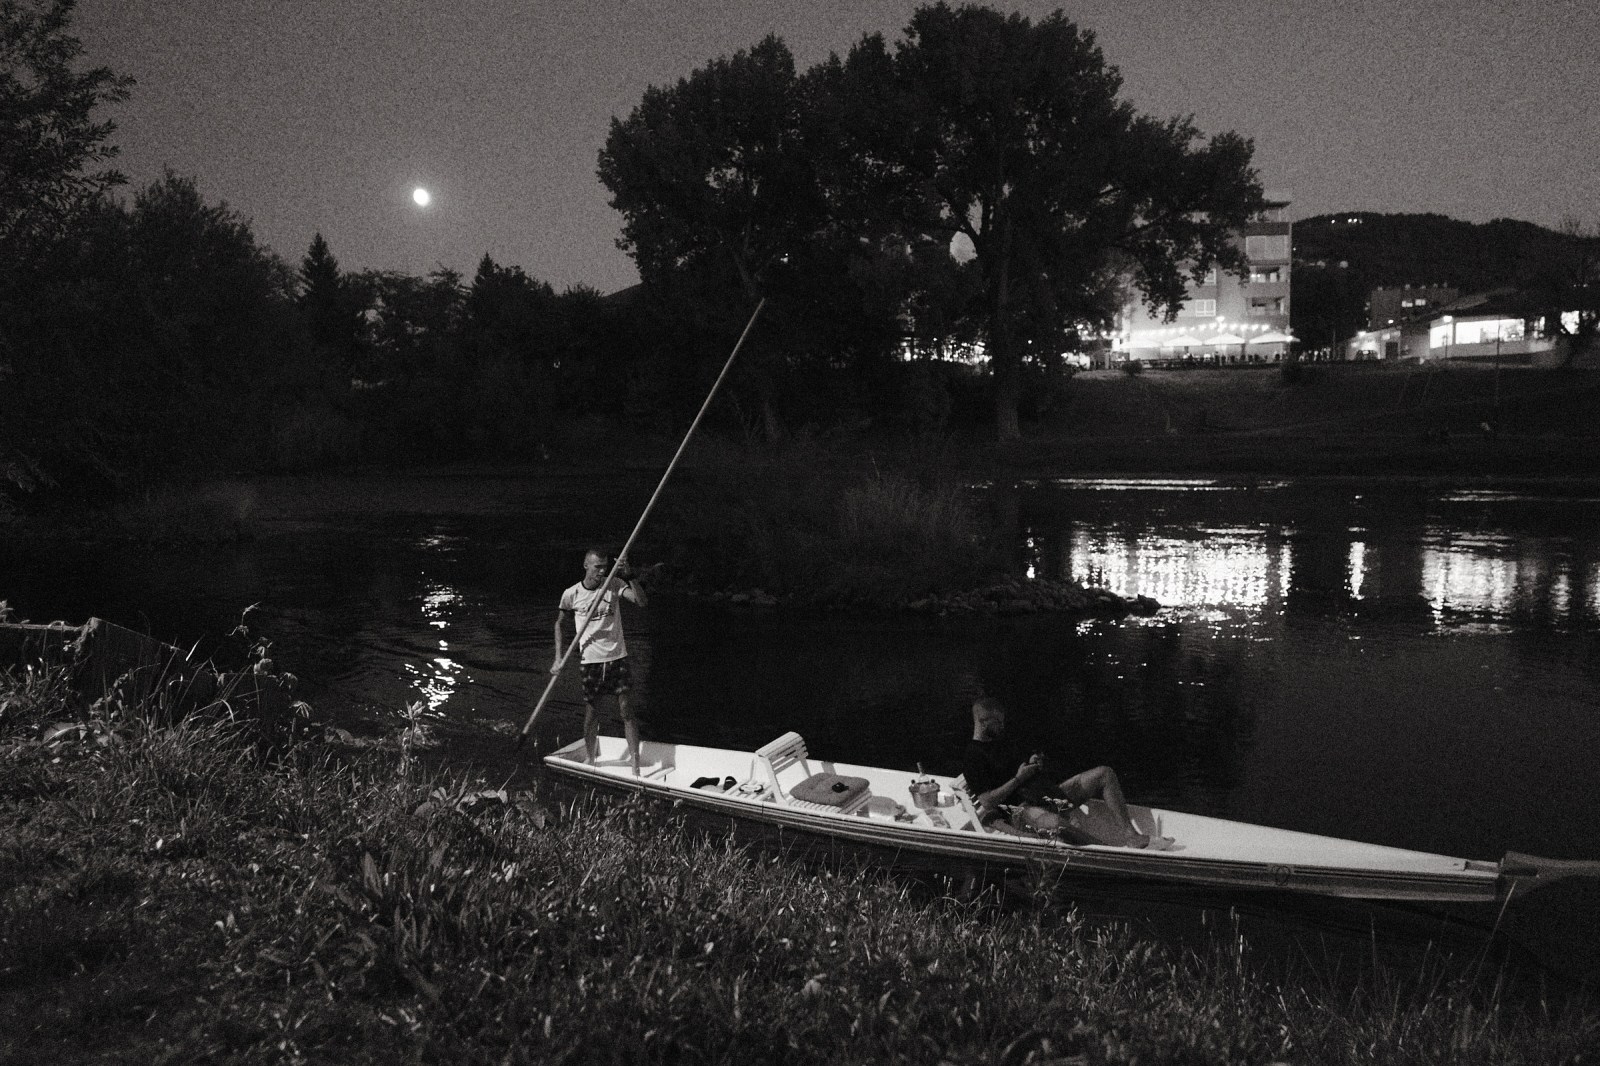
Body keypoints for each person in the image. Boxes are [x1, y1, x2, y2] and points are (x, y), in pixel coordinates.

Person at [962, 696, 1167, 849]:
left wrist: (1032, 765)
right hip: (1017, 811)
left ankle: (1131, 835)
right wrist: (1018, 779)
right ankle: (1105, 850)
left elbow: (1021, 771)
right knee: (1058, 824)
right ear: (983, 721)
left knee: (1104, 774)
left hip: (1042, 796)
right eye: (997, 723)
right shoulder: (973, 756)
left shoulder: (1001, 743)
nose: (1002, 726)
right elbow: (987, 801)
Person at [553, 547, 648, 771]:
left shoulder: (613, 584)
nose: (602, 571)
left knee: (627, 710)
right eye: (598, 567)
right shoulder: (572, 594)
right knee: (593, 711)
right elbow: (559, 623)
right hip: (591, 661)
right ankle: (591, 757)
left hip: (618, 657)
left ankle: (635, 762)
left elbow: (642, 602)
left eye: (605, 566)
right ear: (586, 565)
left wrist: (630, 575)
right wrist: (558, 658)